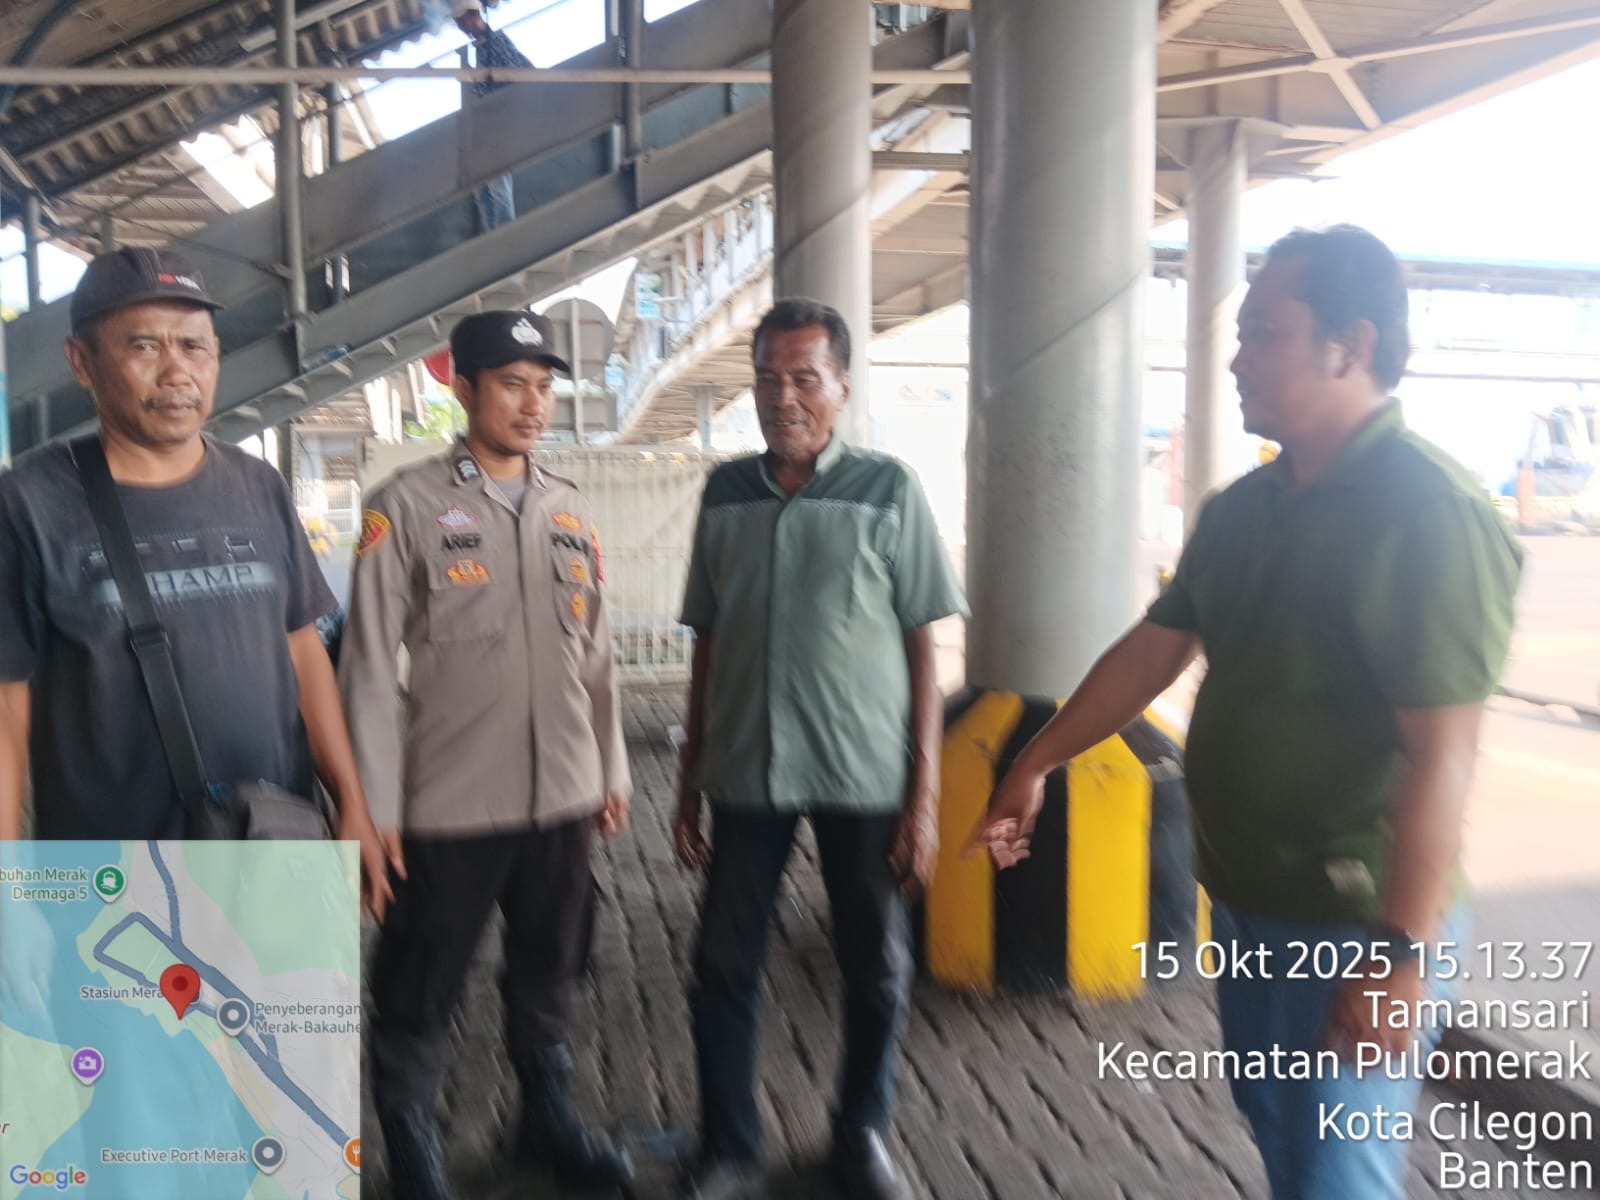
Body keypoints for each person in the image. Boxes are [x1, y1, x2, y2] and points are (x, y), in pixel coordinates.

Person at [970, 225, 1524, 1200]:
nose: (1234, 360)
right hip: (1247, 904)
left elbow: (1443, 755)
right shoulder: (1241, 509)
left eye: (1264, 333)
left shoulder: (1428, 513)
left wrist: (1400, 959)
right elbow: (1152, 651)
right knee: (1278, 1133)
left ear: (1350, 345)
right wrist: (1036, 761)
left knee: (1336, 1175)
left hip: (1356, 922)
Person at [673, 298, 967, 1200]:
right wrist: (687, 780)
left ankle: (860, 1136)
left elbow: (925, 648)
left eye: (805, 378)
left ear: (841, 385)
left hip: (862, 770)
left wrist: (924, 800)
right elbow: (709, 640)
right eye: (768, 378)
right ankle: (729, 1146)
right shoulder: (725, 492)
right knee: (723, 963)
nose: (784, 397)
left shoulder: (888, 490)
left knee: (876, 964)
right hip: (748, 767)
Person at [339, 310, 633, 1200]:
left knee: (552, 963)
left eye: (543, 387)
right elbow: (366, 670)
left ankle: (546, 1118)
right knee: (422, 979)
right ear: (463, 390)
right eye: (512, 384)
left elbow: (598, 656)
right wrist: (375, 807)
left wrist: (612, 770)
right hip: (449, 803)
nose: (533, 403)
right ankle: (413, 1149)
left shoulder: (570, 508)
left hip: (564, 795)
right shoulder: (404, 507)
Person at [0, 247, 391, 909]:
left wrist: (352, 802)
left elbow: (302, 650)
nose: (177, 370)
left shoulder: (258, 485)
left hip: (275, 849)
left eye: (194, 346)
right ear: (81, 362)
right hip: (110, 881)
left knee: (285, 983)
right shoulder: (30, 504)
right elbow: (7, 708)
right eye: (144, 346)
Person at [453, 0, 530, 232]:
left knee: (497, 186)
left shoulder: (495, 42)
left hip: (498, 123)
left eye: (463, 23)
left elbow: (518, 71)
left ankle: (505, 236)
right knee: (483, 189)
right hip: (485, 124)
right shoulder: (482, 46)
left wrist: (484, 79)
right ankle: (493, 237)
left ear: (473, 17)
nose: (463, 29)